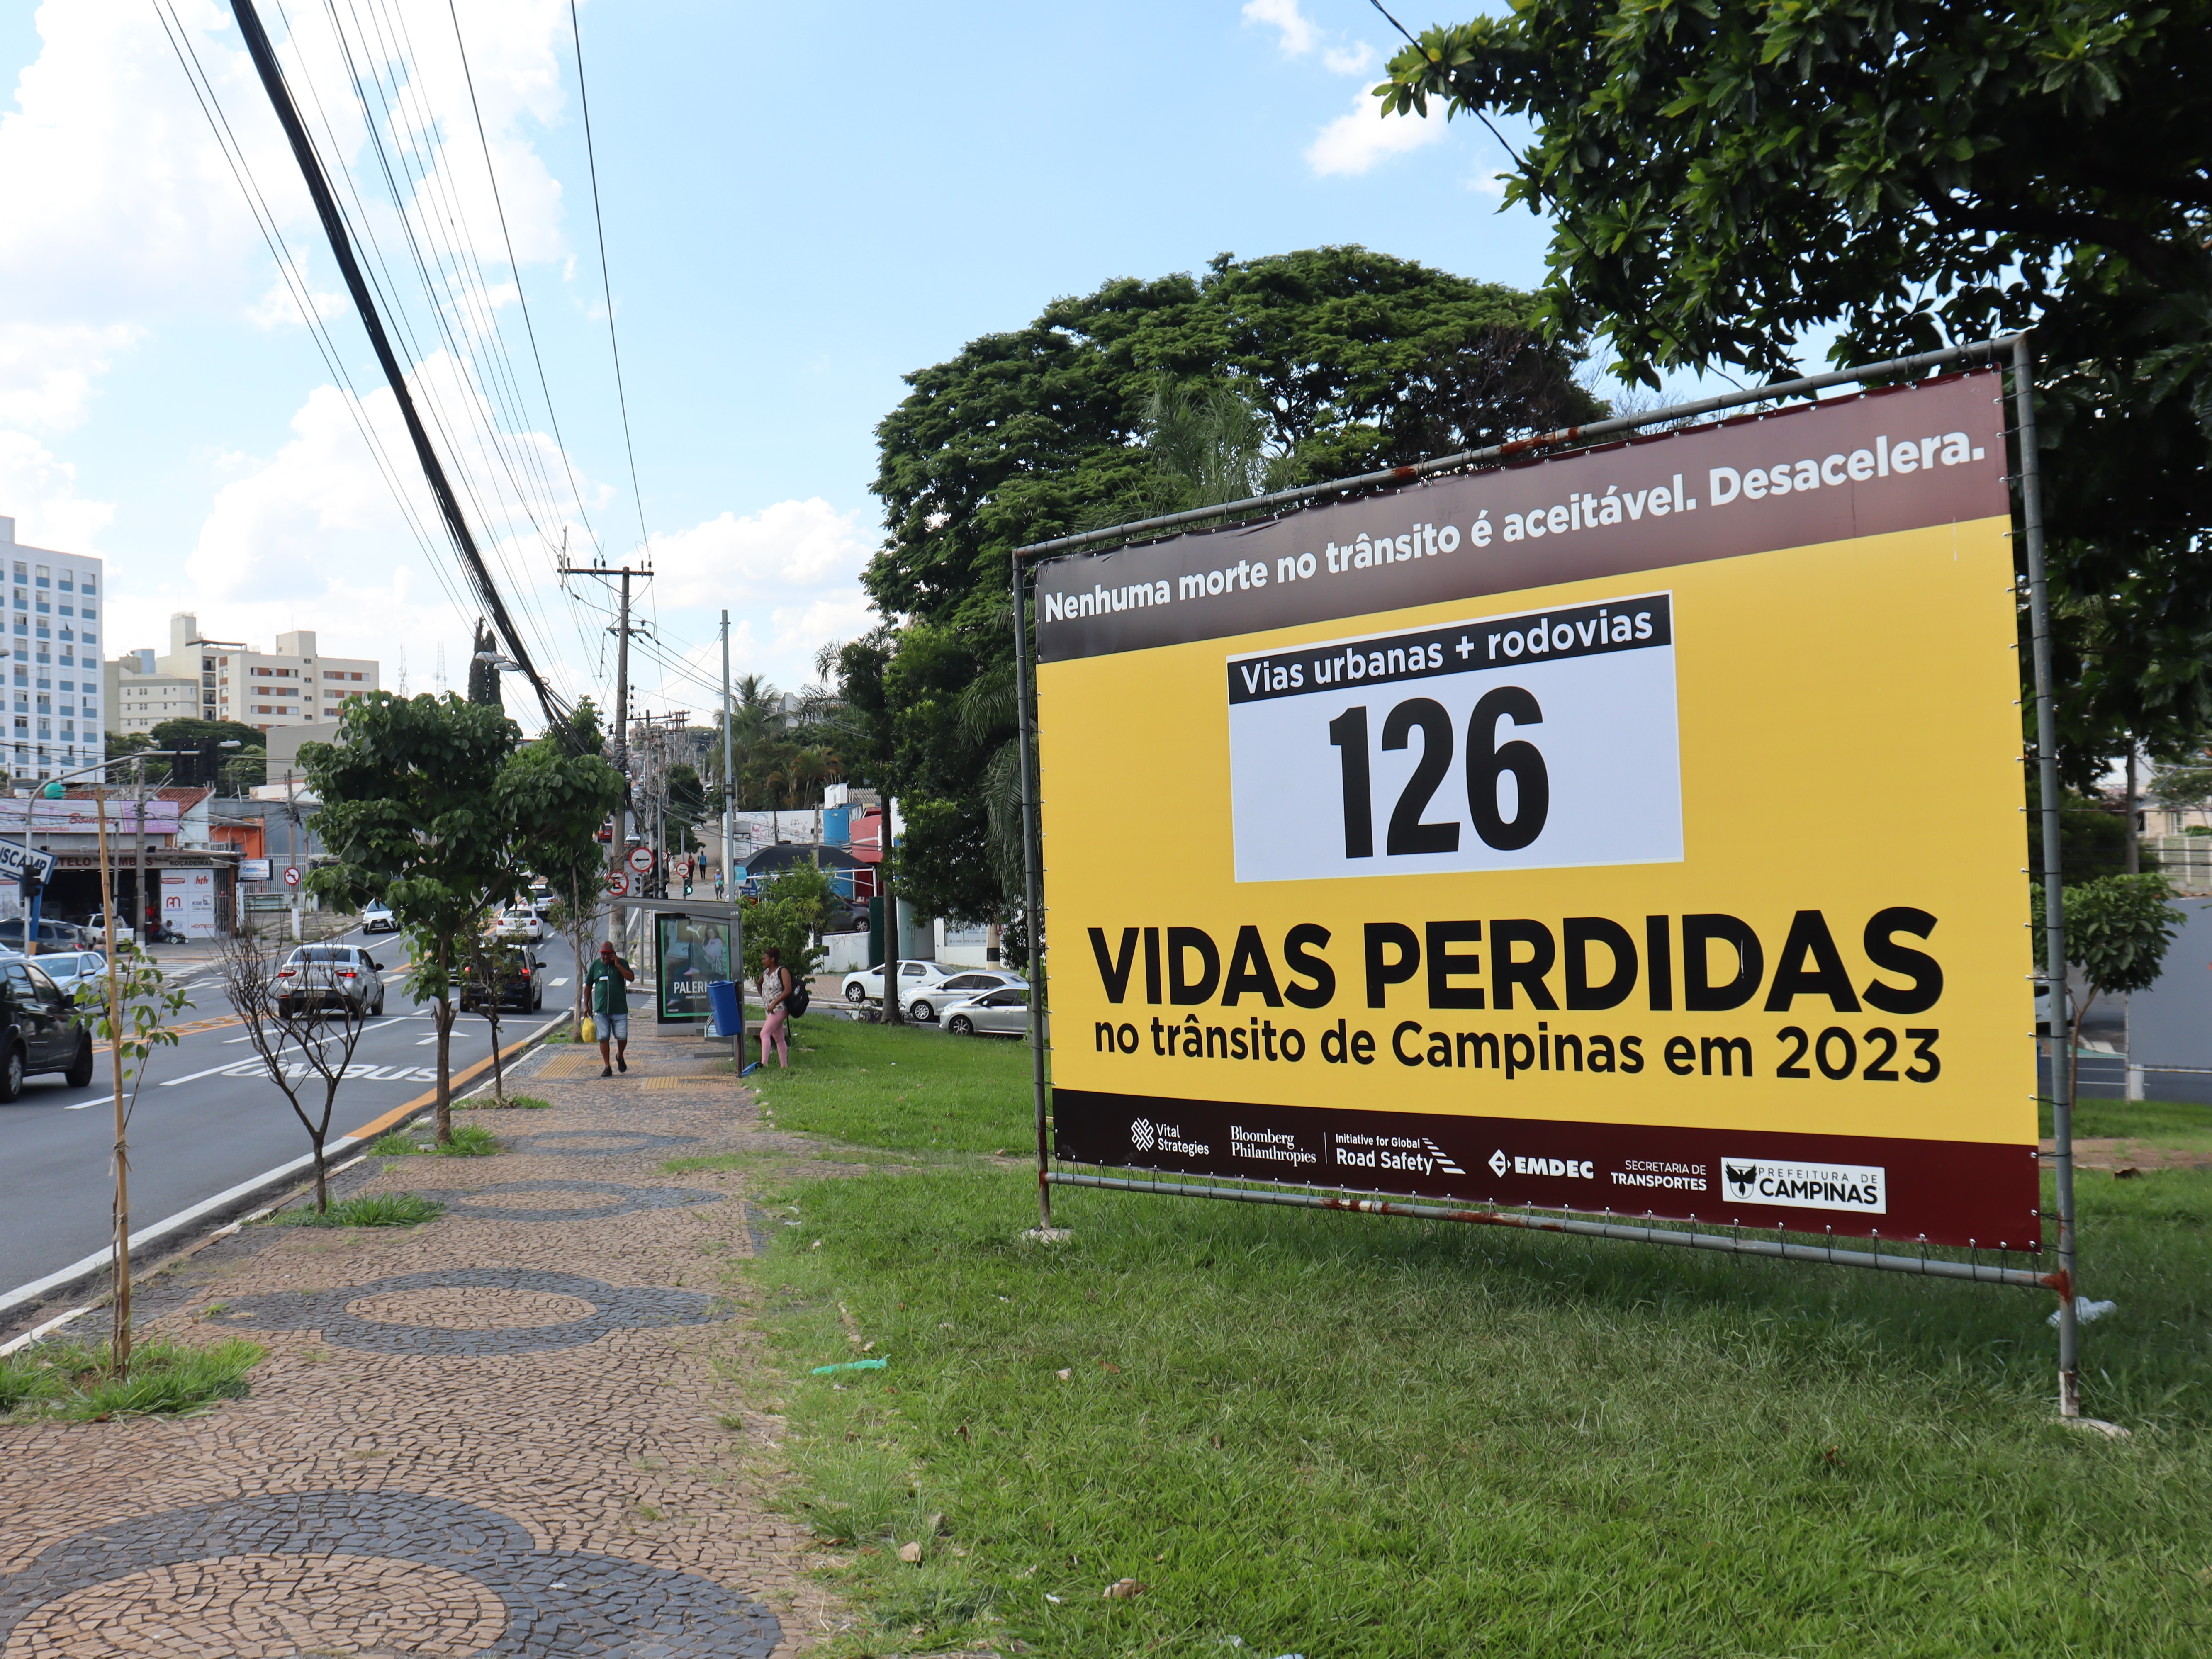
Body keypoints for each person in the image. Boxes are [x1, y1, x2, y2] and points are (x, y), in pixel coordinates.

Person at [586, 939, 636, 1078]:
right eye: (603, 954)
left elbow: (631, 978)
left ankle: (620, 1056)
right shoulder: (596, 966)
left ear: (613, 954)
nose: (605, 957)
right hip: (601, 1010)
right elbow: (588, 985)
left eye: (608, 954)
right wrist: (586, 1005)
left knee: (622, 1037)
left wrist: (619, 965)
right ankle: (607, 1066)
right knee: (603, 1038)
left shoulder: (622, 963)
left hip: (619, 1008)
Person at [758, 945, 793, 1071]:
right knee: (778, 1038)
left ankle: (764, 1064)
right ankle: (784, 1066)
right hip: (770, 1009)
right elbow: (759, 984)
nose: (763, 961)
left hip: (780, 1008)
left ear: (772, 959)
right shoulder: (766, 973)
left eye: (765, 959)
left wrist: (774, 1003)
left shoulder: (782, 971)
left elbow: (788, 990)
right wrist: (765, 998)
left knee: (764, 1033)